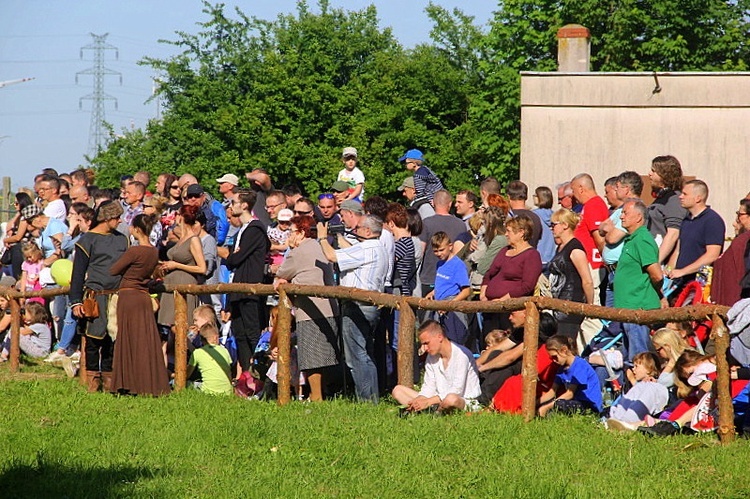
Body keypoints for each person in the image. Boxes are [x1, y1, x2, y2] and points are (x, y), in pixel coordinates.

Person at [318, 214, 388, 403]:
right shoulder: (377, 247)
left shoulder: (366, 248)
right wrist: (340, 237)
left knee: (356, 357)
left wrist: (323, 238)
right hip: (370, 306)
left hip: (357, 306)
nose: (354, 231)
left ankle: (367, 401)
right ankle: (372, 397)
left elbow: (332, 256)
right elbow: (352, 254)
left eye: (357, 228)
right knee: (366, 353)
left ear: (367, 231)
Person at [274, 215, 341, 401]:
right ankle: (320, 394)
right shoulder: (319, 246)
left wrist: (281, 276)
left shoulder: (298, 251)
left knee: (312, 359)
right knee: (325, 356)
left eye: (292, 232)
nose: (289, 236)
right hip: (329, 309)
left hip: (310, 311)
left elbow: (282, 271)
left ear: (302, 233)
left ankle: (316, 398)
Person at [70, 201, 129, 392]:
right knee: (94, 340)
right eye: (117, 217)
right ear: (106, 218)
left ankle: (110, 383)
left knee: (113, 340)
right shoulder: (87, 240)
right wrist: (76, 301)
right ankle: (92, 383)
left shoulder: (122, 239)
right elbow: (78, 274)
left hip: (117, 297)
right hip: (95, 297)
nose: (120, 221)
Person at [109, 214, 170, 396]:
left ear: (136, 229)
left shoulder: (134, 251)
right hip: (143, 297)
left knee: (127, 338)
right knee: (145, 340)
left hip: (128, 296)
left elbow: (114, 270)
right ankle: (148, 383)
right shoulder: (153, 251)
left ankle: (128, 383)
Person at [614, 199, 668, 365]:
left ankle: (643, 388)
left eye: (625, 213)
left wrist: (659, 295)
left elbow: (657, 275)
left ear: (638, 217)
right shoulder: (632, 239)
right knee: (629, 359)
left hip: (637, 308)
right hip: (627, 308)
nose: (621, 217)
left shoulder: (642, 240)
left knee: (639, 360)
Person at [221, 189, 270, 372]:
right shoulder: (241, 229)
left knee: (251, 332)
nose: (231, 205)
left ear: (244, 205)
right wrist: (234, 255)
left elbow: (235, 259)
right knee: (239, 333)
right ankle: (246, 377)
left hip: (250, 287)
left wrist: (233, 255)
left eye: (234, 202)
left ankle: (260, 374)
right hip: (237, 287)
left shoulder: (254, 229)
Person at [391, 320, 481, 414]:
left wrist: (428, 402)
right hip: (436, 400)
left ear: (440, 337)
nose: (425, 348)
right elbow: (428, 386)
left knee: (451, 399)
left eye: (426, 343)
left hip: (463, 400)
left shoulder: (462, 355)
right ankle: (425, 411)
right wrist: (419, 400)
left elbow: (457, 390)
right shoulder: (431, 356)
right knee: (398, 390)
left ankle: (428, 412)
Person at [157, 204, 207, 365]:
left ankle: (197, 360)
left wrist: (176, 265)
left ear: (182, 217)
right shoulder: (181, 238)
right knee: (172, 329)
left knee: (180, 329)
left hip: (185, 284)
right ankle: (178, 368)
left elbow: (202, 267)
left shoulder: (194, 240)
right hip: (171, 285)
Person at [480, 215, 542, 332]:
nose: (506, 234)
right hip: (490, 309)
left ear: (521, 233)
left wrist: (503, 300)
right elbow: (489, 273)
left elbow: (527, 286)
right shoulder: (504, 250)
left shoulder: (531, 255)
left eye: (508, 231)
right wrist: (483, 294)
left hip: (510, 311)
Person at [667, 179, 725, 292]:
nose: (680, 197)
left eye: (685, 194)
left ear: (698, 198)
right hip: (678, 283)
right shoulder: (686, 220)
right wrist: (669, 270)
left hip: (698, 286)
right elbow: (678, 250)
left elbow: (712, 255)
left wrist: (683, 271)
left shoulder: (712, 221)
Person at [548, 209, 593, 338]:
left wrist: (589, 306)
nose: (551, 229)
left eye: (553, 225)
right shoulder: (561, 247)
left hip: (571, 309)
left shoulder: (575, 249)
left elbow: (587, 281)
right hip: (558, 308)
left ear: (565, 225)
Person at [538, 335, 603, 416]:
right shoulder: (561, 369)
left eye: (555, 357)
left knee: (559, 404)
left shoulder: (580, 365)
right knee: (552, 405)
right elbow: (552, 392)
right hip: (575, 403)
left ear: (564, 350)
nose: (554, 361)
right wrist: (536, 403)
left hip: (589, 405)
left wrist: (547, 407)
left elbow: (570, 393)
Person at [419, 190, 467, 298]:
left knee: (427, 313)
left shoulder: (426, 223)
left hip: (429, 276)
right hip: (453, 279)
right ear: (450, 204)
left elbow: (421, 250)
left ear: (433, 203)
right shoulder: (461, 224)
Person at [425, 232, 471, 345]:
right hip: (440, 306)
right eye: (435, 251)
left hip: (453, 310)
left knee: (455, 343)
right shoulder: (439, 264)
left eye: (441, 250)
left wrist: (451, 304)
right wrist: (433, 292)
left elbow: (466, 290)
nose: (438, 253)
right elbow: (443, 284)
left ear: (450, 246)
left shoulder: (457, 265)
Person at [606, 352, 670, 431]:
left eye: (636, 366)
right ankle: (615, 420)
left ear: (648, 369)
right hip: (621, 417)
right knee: (627, 399)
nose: (633, 369)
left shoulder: (655, 386)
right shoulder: (639, 386)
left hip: (639, 416)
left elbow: (643, 403)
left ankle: (625, 421)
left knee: (644, 395)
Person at [647, 155, 686, 265]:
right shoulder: (662, 198)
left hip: (661, 263)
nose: (649, 173)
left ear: (665, 175)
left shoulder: (674, 200)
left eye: (654, 171)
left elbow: (673, 234)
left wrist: (655, 263)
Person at [712, 198, 750, 305]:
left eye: (740, 215)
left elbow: (739, 275)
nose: (735, 223)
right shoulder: (741, 240)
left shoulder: (742, 242)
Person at [187, 323, 233, 396]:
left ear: (201, 340)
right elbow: (229, 372)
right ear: (215, 337)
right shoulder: (225, 351)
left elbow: (187, 375)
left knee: (178, 382)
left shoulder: (197, 352)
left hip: (208, 392)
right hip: (227, 392)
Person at [3, 192, 35, 278]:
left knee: (18, 274)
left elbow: (18, 237)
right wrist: (17, 214)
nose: (15, 205)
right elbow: (8, 227)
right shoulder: (20, 217)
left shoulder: (25, 218)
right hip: (15, 248)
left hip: (21, 248)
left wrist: (5, 240)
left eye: (17, 203)